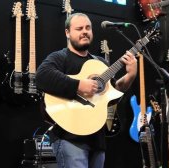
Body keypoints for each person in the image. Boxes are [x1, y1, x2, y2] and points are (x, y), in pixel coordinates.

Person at [36, 13, 137, 168]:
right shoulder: (60, 57)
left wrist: (130, 75)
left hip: (97, 139)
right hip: (70, 137)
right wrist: (78, 85)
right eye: (79, 28)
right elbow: (42, 76)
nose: (85, 31)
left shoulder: (100, 63)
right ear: (67, 33)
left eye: (88, 28)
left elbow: (113, 94)